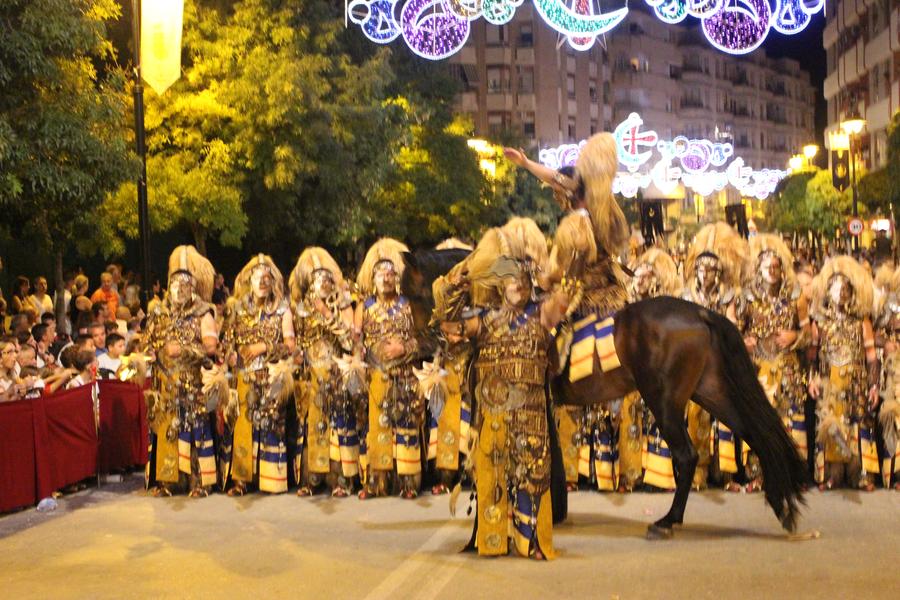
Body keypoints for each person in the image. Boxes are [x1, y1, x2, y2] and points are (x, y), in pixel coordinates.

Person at [436, 254, 575, 559]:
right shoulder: (484, 319)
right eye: (512, 280)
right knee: (492, 473)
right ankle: (493, 539)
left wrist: (553, 276)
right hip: (494, 413)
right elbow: (449, 327)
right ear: (500, 285)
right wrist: (455, 288)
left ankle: (531, 542)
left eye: (524, 281)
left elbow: (563, 302)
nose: (519, 286)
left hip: (531, 412)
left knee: (533, 474)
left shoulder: (541, 314)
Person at [143, 246, 221, 497]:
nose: (179, 289)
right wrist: (150, 353)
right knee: (168, 430)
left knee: (195, 430)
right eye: (175, 284)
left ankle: (199, 482)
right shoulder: (158, 311)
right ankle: (167, 481)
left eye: (184, 285)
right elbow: (148, 341)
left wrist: (185, 350)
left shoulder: (203, 311)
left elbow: (211, 347)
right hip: (164, 383)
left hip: (191, 382)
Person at [738, 234, 810, 492]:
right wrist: (745, 340)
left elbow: (810, 334)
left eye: (776, 266)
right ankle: (758, 474)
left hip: (788, 369)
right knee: (760, 420)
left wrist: (794, 336)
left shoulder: (795, 296)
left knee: (790, 420)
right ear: (758, 270)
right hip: (759, 369)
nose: (772, 271)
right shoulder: (746, 297)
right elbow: (735, 331)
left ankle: (793, 474)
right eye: (767, 266)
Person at [221, 254, 296, 495]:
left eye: (267, 278)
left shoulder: (282, 309)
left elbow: (291, 345)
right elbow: (226, 343)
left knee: (272, 426)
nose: (262, 282)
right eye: (257, 278)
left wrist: (263, 347)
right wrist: (230, 356)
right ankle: (241, 481)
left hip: (272, 377)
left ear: (273, 281)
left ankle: (271, 480)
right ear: (249, 281)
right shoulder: (237, 309)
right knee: (243, 428)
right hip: (245, 377)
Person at [683, 222, 749, 490]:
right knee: (696, 417)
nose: (706, 274)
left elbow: (733, 326)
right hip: (693, 367)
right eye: (702, 269)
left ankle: (726, 473)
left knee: (725, 417)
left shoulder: (729, 297)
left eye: (711, 269)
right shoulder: (686, 296)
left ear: (719, 273)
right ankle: (697, 472)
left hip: (720, 365)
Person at [355, 238, 422, 500]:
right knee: (377, 427)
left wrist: (404, 349)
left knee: (405, 426)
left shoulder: (408, 305)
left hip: (404, 376)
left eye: (390, 273)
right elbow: (356, 340)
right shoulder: (365, 306)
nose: (386, 278)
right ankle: (376, 483)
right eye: (381, 274)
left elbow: (426, 339)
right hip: (377, 377)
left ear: (397, 278)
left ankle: (408, 483)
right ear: (373, 279)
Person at [290, 247, 357, 497]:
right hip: (310, 375)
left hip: (336, 373)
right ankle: (311, 478)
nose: (321, 282)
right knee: (312, 426)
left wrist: (328, 313)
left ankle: (341, 479)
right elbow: (296, 340)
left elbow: (351, 339)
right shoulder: (301, 307)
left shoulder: (341, 302)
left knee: (338, 426)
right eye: (316, 278)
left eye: (325, 277)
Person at [809, 256, 879, 491]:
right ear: (828, 293)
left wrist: (874, 385)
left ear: (851, 294)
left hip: (856, 382)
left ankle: (862, 473)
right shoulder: (820, 322)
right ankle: (832, 474)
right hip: (831, 382)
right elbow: (814, 354)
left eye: (845, 290)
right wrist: (813, 378)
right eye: (836, 290)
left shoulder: (862, 322)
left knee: (859, 425)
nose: (840, 295)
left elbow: (871, 357)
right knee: (832, 425)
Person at [627, 248, 684, 492]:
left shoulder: (661, 305)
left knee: (658, 419)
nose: (641, 281)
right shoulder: (623, 303)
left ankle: (659, 475)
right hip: (629, 373)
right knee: (629, 419)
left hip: (657, 372)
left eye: (647, 277)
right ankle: (630, 474)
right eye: (637, 276)